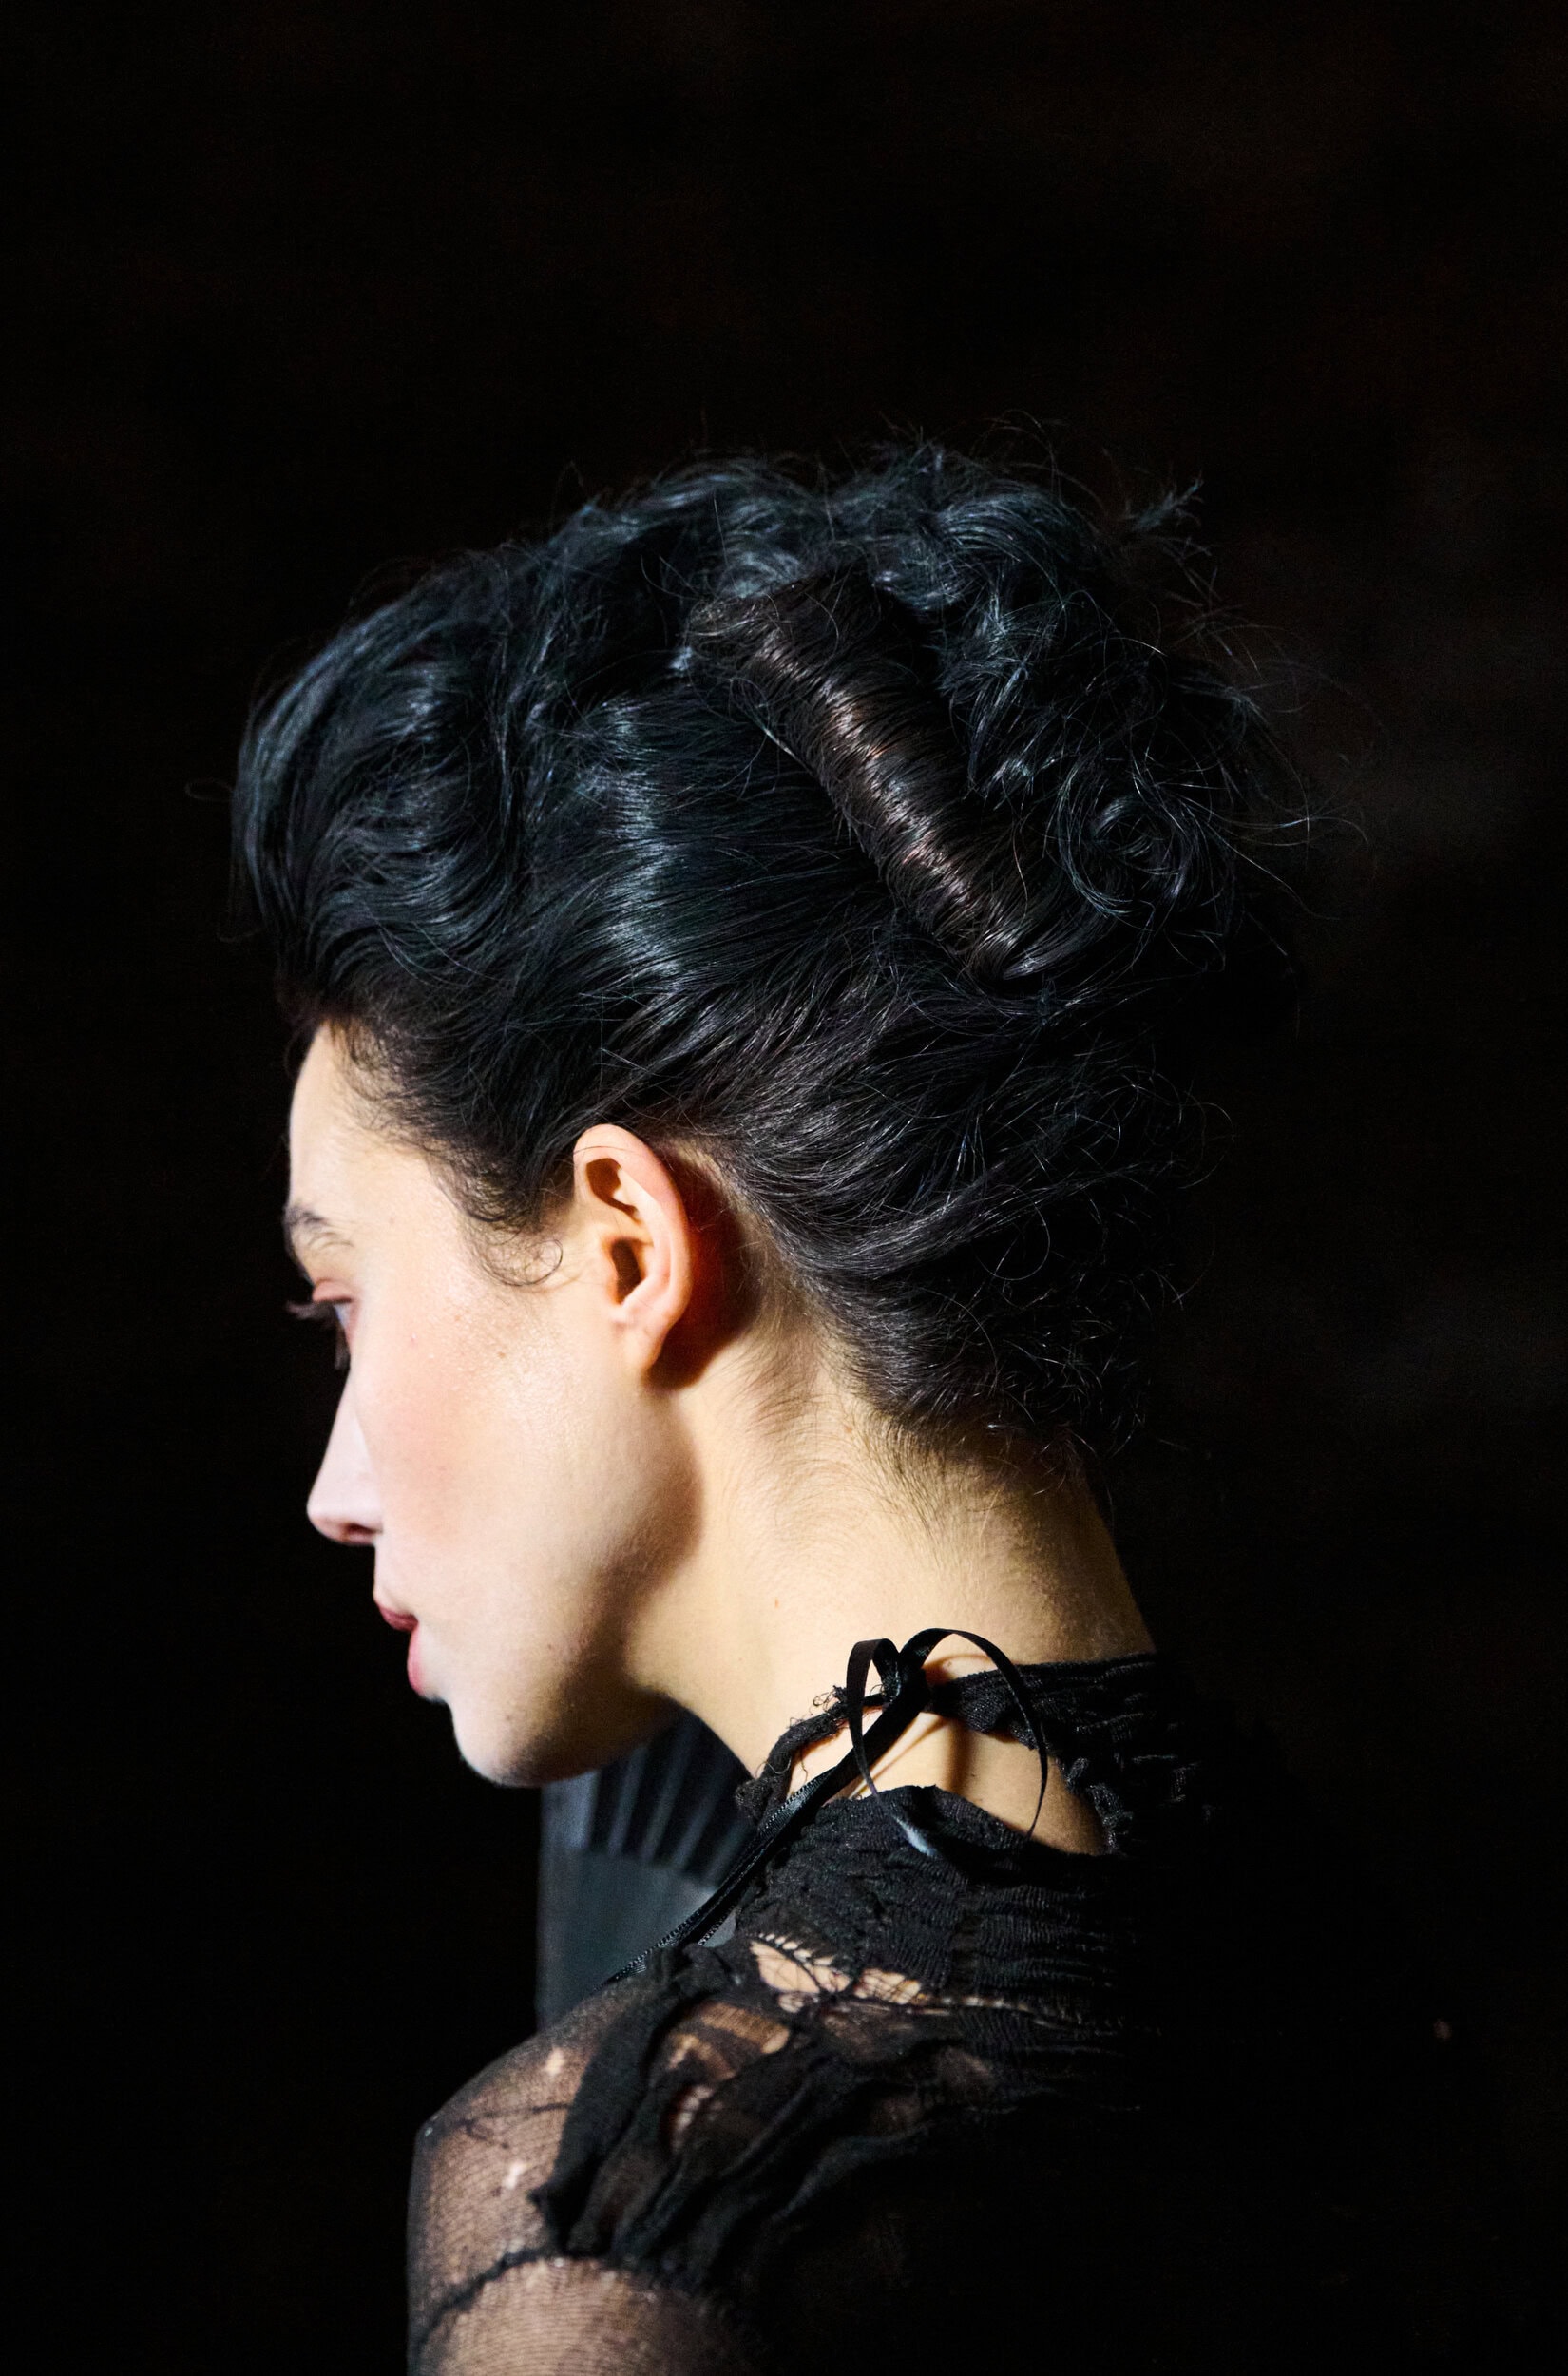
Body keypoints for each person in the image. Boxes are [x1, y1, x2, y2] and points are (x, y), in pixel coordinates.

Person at [235, 449, 1426, 2372]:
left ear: (627, 1241)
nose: (333, 1487)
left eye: (348, 1303)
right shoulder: (1340, 1972)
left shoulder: (645, 2208)